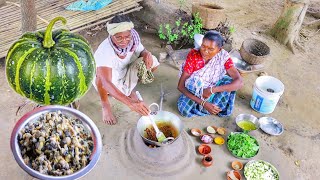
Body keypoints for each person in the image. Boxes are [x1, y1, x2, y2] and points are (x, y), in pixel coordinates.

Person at [94, 15, 160, 125]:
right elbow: (106, 82)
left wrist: (147, 53)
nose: (124, 41)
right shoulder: (104, 51)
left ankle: (128, 89)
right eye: (118, 37)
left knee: (152, 61)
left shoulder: (133, 39)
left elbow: (142, 51)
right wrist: (130, 104)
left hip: (123, 72)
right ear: (111, 35)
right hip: (108, 79)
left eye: (127, 36)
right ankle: (105, 105)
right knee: (100, 77)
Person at [177, 31, 243, 117]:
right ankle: (203, 106)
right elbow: (180, 86)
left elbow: (240, 82)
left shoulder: (223, 57)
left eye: (211, 49)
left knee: (229, 82)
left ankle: (211, 107)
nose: (205, 51)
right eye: (203, 46)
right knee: (185, 108)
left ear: (219, 49)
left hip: (212, 88)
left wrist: (212, 90)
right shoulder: (194, 56)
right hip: (195, 90)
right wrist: (203, 103)